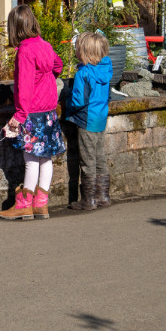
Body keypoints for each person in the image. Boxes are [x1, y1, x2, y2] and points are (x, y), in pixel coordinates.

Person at [0, 4, 66, 220]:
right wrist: (48, 78)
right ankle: (41, 204)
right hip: (48, 111)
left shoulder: (25, 52)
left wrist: (19, 115)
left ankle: (24, 204)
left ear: (15, 28)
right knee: (46, 158)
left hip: (32, 113)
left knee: (30, 159)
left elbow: (24, 87)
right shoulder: (44, 45)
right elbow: (58, 65)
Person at [66, 31, 113, 211]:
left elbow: (78, 101)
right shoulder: (105, 69)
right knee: (100, 157)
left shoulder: (83, 73)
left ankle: (88, 200)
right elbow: (107, 95)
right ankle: (103, 196)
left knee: (87, 160)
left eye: (78, 49)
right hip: (100, 118)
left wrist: (68, 102)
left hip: (86, 120)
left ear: (84, 53)